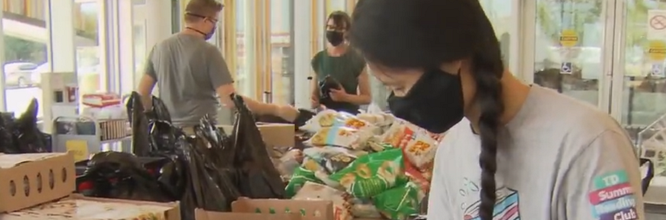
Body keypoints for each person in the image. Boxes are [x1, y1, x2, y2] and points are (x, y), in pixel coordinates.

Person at [349, 0, 644, 219]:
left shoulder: (588, 142)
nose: (398, 103)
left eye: (399, 87)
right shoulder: (453, 149)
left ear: (453, 59)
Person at [137, 0, 297, 132]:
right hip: (199, 135)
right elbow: (231, 100)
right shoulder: (208, 52)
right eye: (215, 22)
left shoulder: (159, 48)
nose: (214, 27)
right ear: (206, 20)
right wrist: (277, 110)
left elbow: (142, 94)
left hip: (167, 135)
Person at [310, 11, 371, 114]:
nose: (333, 31)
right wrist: (313, 101)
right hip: (324, 117)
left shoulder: (356, 59)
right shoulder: (318, 59)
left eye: (338, 28)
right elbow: (314, 94)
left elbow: (367, 97)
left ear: (347, 31)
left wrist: (345, 97)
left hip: (349, 118)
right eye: (330, 27)